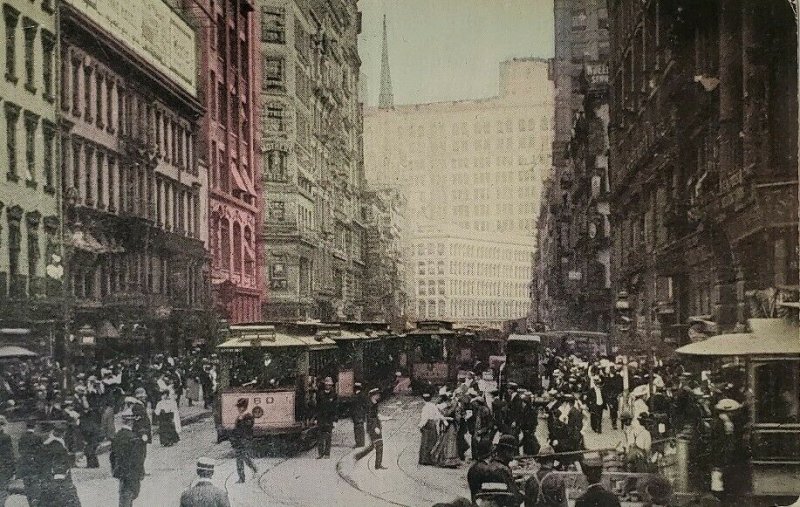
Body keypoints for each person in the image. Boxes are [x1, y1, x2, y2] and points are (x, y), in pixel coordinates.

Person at [467, 434, 523, 507]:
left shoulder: (489, 467)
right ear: (506, 451)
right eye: (512, 451)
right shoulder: (503, 469)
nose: (513, 454)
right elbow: (515, 498)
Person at [39, 422, 81, 507]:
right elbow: (60, 465)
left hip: (47, 479)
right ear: (63, 433)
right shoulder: (58, 447)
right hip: (59, 480)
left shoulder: (46, 443)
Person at [111, 410, 145, 507]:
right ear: (131, 422)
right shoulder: (134, 438)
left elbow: (112, 456)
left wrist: (115, 469)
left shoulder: (117, 436)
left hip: (121, 472)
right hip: (132, 473)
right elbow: (138, 459)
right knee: (129, 496)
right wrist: (140, 473)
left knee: (124, 495)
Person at [354, 388, 385, 469]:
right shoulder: (370, 405)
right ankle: (377, 465)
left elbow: (376, 416)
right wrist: (375, 427)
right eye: (377, 394)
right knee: (379, 445)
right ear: (373, 396)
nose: (379, 396)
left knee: (372, 446)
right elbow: (370, 418)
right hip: (373, 428)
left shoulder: (374, 404)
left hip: (375, 427)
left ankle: (358, 456)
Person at [18, 418, 44, 507]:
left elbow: (20, 450)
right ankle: (34, 500)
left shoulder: (22, 437)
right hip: (34, 463)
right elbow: (41, 452)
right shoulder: (38, 438)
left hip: (25, 463)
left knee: (27, 483)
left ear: (26, 427)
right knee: (35, 483)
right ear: (35, 426)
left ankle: (30, 501)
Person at [231, 398, 258, 482]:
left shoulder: (248, 416)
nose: (238, 409)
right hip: (239, 441)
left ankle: (251, 470)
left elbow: (248, 427)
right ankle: (242, 476)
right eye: (238, 407)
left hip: (245, 440)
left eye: (240, 407)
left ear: (244, 407)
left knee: (243, 457)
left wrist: (242, 419)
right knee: (241, 458)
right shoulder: (240, 416)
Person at [315, 377, 338, 459]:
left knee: (328, 436)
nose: (328, 386)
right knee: (320, 436)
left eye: (329, 385)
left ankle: (327, 453)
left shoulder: (334, 395)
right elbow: (317, 407)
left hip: (329, 418)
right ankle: (320, 453)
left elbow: (335, 407)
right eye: (326, 385)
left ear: (331, 386)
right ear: (324, 385)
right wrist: (315, 418)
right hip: (321, 418)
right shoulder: (320, 394)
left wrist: (335, 419)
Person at [418, 392, 441, 465]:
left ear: (423, 399)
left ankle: (425, 460)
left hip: (427, 425)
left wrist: (420, 426)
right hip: (433, 424)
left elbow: (425, 418)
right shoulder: (433, 405)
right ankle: (432, 458)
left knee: (425, 442)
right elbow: (438, 415)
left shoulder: (425, 408)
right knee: (433, 441)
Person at [0, 416, 14, 506]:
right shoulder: (5, 437)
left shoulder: (5, 437)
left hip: (3, 469)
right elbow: (9, 455)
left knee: (2, 491)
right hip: (3, 469)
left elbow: (9, 455)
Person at [351, 382, 366, 448]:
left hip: (357, 414)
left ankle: (359, 443)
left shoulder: (356, 396)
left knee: (357, 428)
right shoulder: (362, 395)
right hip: (360, 414)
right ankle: (361, 442)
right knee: (360, 428)